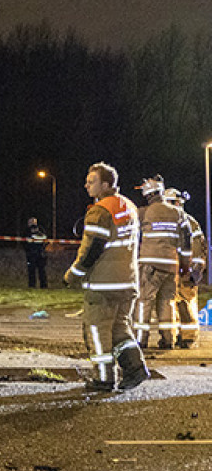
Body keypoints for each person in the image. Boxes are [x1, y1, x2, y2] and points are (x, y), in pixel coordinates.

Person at [64, 162, 148, 391]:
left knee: (97, 330)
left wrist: (73, 275)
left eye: (91, 182)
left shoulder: (100, 210)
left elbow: (92, 249)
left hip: (103, 284)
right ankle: (135, 369)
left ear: (106, 184)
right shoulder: (129, 207)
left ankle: (103, 379)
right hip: (128, 281)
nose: (86, 186)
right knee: (120, 328)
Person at [135, 177, 191, 350]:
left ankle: (140, 340)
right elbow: (186, 240)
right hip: (171, 265)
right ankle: (168, 340)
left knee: (144, 301)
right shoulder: (178, 213)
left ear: (147, 195)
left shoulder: (143, 213)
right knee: (167, 302)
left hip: (149, 265)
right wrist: (185, 264)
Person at [168, 189, 206, 349]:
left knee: (186, 304)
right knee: (172, 306)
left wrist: (195, 270)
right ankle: (176, 335)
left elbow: (198, 249)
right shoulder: (171, 222)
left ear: (177, 203)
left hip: (186, 272)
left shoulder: (190, 223)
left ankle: (189, 337)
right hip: (173, 271)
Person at [24, 217, 49, 288]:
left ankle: (39, 286)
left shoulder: (38, 229)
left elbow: (44, 239)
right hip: (35, 253)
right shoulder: (29, 230)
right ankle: (37, 285)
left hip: (37, 253)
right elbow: (27, 240)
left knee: (38, 270)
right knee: (36, 270)